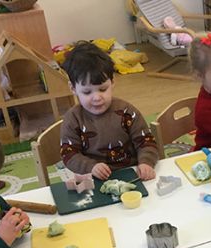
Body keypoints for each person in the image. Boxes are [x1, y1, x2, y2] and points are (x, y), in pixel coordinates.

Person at [60, 41, 158, 181]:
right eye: (87, 92)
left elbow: (146, 141)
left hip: (132, 174)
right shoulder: (73, 119)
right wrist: (91, 167)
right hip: (94, 178)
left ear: (112, 82)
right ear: (73, 88)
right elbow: (69, 154)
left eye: (103, 89)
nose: (97, 98)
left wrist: (146, 162)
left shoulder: (127, 112)